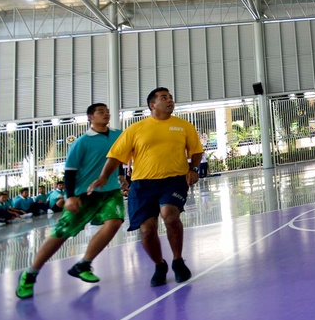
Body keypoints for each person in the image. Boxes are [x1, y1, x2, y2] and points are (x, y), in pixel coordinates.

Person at [91, 88, 203, 286]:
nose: (170, 100)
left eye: (170, 97)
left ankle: (178, 260)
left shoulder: (184, 126)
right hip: (143, 184)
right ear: (152, 105)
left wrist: (193, 168)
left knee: (170, 215)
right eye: (164, 98)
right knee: (147, 230)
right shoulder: (136, 129)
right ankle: (160, 265)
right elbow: (116, 155)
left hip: (174, 180)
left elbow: (196, 150)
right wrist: (103, 177)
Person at [15, 103, 126, 299]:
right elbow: (70, 171)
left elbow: (119, 157)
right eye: (101, 112)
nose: (106, 114)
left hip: (110, 191)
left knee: (115, 222)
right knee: (61, 233)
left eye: (107, 111)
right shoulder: (82, 142)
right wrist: (70, 196)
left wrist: (122, 175)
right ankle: (30, 274)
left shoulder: (118, 135)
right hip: (84, 193)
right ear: (90, 117)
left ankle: (84, 264)